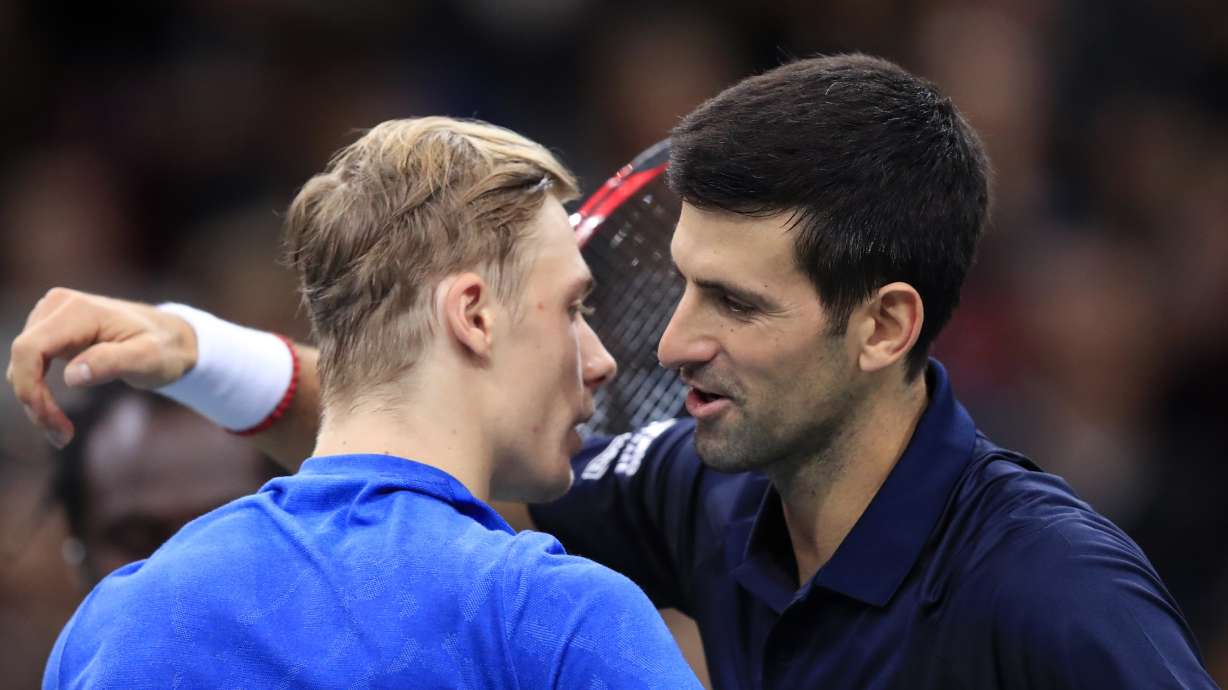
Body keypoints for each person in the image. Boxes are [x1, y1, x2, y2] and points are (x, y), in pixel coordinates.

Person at [10, 55, 1217, 689]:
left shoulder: (1056, 596)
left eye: (735, 303)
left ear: (885, 325)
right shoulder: (700, 491)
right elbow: (412, 438)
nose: (670, 341)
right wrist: (197, 351)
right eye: (679, 282)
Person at [19, 117, 703, 688]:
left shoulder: (115, 622)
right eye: (572, 309)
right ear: (474, 314)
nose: (600, 359)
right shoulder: (561, 618)